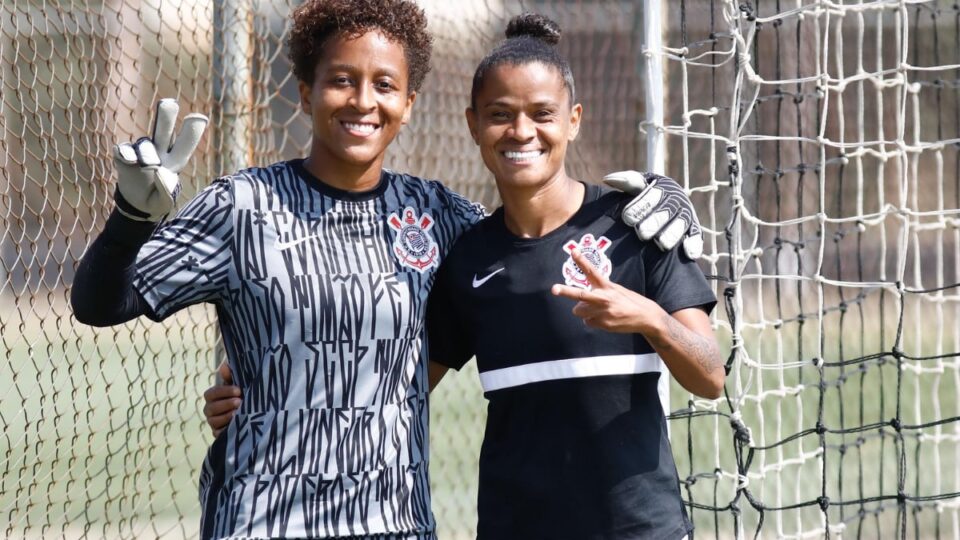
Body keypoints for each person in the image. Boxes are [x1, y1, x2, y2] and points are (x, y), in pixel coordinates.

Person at [73, 1, 704, 538]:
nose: (362, 101)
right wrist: (132, 217)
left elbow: (532, 234)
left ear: (407, 102)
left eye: (383, 85)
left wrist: (656, 201)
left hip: (394, 521)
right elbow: (101, 303)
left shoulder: (441, 219)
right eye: (342, 80)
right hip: (261, 518)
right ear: (307, 92)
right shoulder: (241, 206)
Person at [424, 14, 724, 538]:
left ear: (573, 120)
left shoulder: (637, 223)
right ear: (473, 125)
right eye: (500, 114)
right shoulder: (467, 259)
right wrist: (252, 396)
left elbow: (710, 377)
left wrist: (650, 318)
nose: (522, 132)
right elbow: (400, 389)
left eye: (543, 114)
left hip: (639, 530)